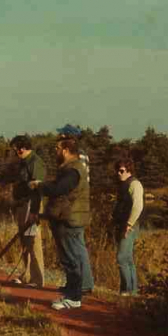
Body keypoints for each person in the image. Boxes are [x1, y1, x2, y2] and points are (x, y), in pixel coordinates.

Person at [30, 135, 91, 310]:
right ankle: (72, 292)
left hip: (68, 220)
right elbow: (59, 187)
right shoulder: (71, 168)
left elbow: (59, 189)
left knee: (71, 259)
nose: (55, 151)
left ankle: (74, 297)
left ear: (65, 150)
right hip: (67, 218)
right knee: (70, 258)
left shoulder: (73, 170)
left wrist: (39, 186)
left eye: (57, 149)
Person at [57, 126, 95, 295]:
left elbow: (74, 185)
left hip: (74, 209)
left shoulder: (77, 158)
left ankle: (83, 284)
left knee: (76, 249)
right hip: (77, 208)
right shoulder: (81, 155)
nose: (59, 138)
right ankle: (76, 283)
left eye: (62, 136)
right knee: (76, 248)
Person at [9, 135, 46, 288]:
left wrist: (35, 211)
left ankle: (37, 280)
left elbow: (37, 188)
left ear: (21, 148)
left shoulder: (35, 162)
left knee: (33, 241)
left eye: (14, 149)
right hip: (23, 204)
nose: (14, 152)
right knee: (25, 242)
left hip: (32, 205)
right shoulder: (24, 162)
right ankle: (27, 275)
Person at [112, 157, 144, 296]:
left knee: (121, 258)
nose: (118, 173)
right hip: (122, 224)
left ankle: (127, 291)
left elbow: (138, 206)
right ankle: (133, 292)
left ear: (129, 170)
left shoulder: (135, 184)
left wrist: (129, 224)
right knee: (128, 259)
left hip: (129, 225)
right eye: (117, 171)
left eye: (121, 171)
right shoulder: (123, 185)